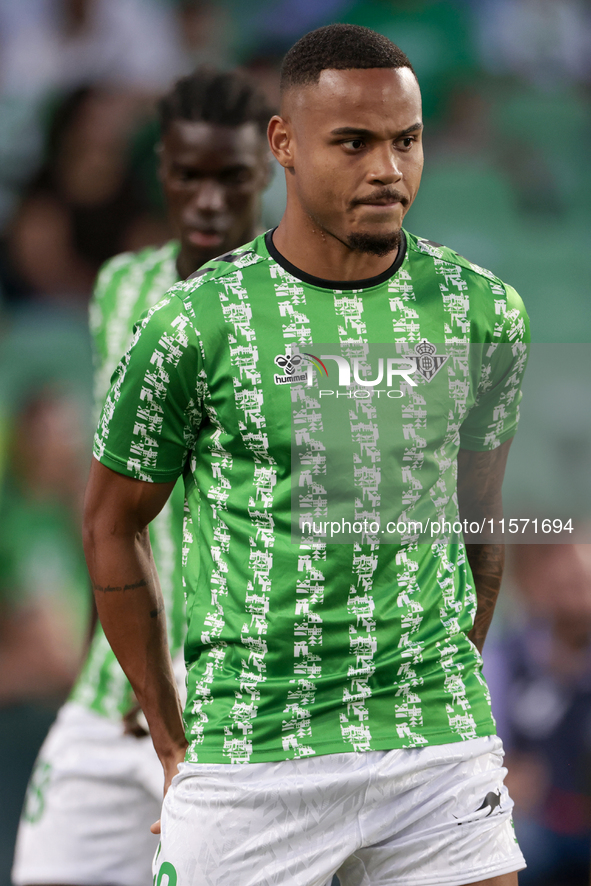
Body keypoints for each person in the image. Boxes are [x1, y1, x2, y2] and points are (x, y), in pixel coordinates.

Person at [82, 24, 530, 886]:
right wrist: (171, 742)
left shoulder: (484, 313)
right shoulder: (192, 322)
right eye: (353, 143)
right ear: (281, 144)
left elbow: (478, 522)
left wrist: (456, 689)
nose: (387, 170)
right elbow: (111, 524)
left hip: (434, 747)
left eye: (406, 141)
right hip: (249, 752)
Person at [12, 67, 272, 886]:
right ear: (159, 168)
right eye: (186, 174)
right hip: (106, 696)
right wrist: (120, 655)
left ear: (270, 170)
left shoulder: (305, 309)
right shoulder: (122, 287)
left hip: (231, 700)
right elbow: (112, 501)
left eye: (230, 177)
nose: (205, 199)